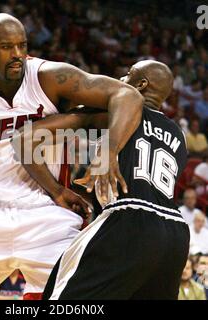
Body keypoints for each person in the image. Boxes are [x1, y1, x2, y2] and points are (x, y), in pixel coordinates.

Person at [0, 13, 143, 300]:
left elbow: (127, 95)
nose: (18, 54)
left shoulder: (50, 78)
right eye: (7, 47)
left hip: (50, 214)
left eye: (22, 45)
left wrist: (109, 151)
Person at [19, 60, 189, 299]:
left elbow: (27, 137)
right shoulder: (179, 136)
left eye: (128, 74)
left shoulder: (116, 111)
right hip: (175, 234)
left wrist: (56, 188)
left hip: (128, 220)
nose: (121, 80)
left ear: (140, 85)